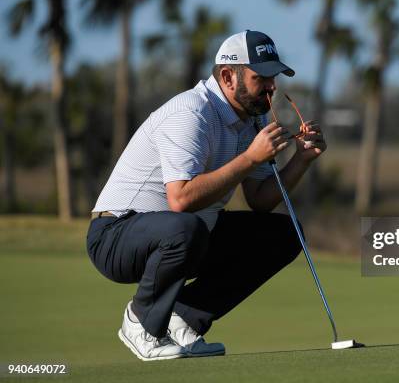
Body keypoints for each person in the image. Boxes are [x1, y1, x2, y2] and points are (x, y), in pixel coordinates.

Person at [86, 30, 327, 361]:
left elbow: (259, 199)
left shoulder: (250, 120)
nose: (272, 87)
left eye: (274, 78)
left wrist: (301, 160)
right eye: (261, 78)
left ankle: (184, 317)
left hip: (187, 233)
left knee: (285, 234)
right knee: (185, 226)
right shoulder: (191, 113)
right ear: (228, 76)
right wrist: (251, 158)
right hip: (115, 235)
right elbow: (181, 200)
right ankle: (141, 320)